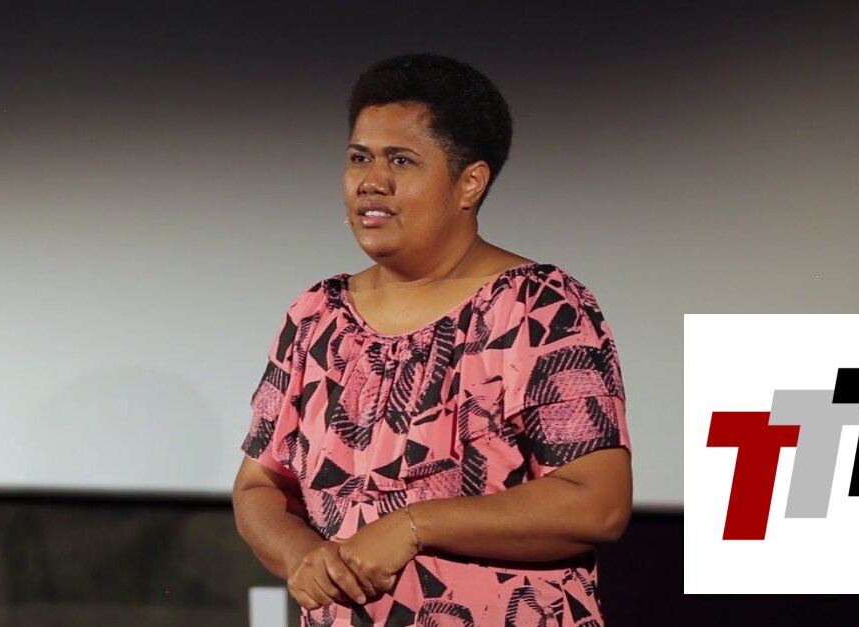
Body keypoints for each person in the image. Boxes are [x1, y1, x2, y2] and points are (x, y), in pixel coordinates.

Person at [233, 53, 631, 627]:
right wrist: (301, 556)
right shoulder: (316, 314)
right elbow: (260, 486)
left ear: (469, 183)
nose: (371, 181)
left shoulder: (539, 307)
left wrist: (414, 525)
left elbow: (597, 501)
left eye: (401, 160)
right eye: (359, 158)